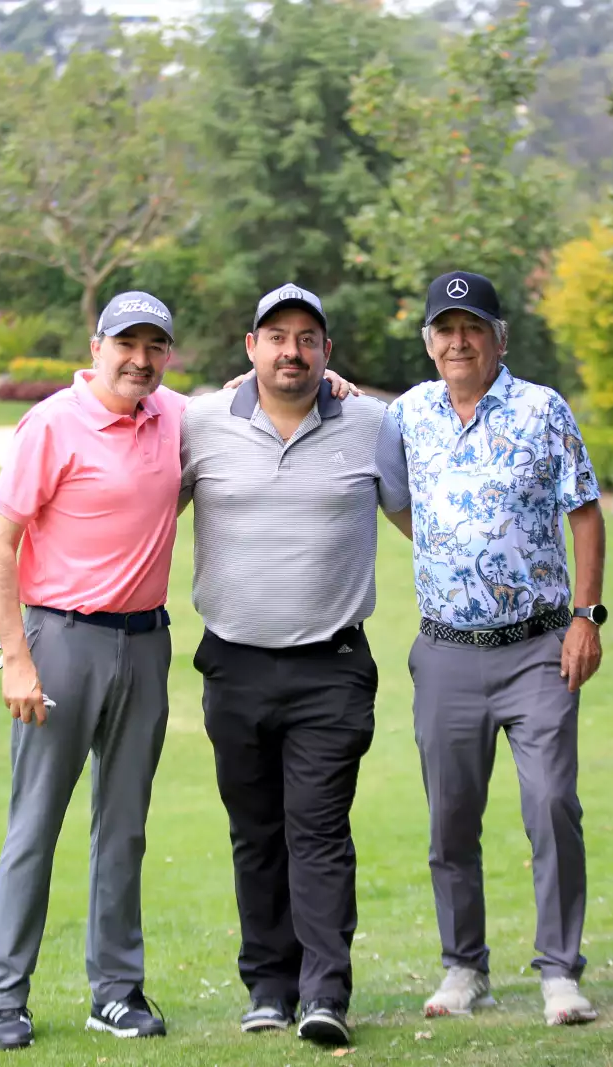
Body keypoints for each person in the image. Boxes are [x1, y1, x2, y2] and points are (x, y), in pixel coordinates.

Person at [0, 290, 361, 1052]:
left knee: (123, 829)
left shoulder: (176, 418)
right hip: (60, 641)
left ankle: (115, 991)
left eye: (155, 347)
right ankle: (6, 996)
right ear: (97, 347)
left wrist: (334, 381)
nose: (140, 360)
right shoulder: (52, 424)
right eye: (127, 344)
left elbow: (248, 397)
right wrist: (15, 655)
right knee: (36, 826)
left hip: (145, 645)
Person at [376, 270, 608, 1028]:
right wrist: (453, 552)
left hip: (539, 647)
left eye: (472, 326)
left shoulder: (543, 409)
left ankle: (560, 972)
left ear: (499, 337)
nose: (459, 340)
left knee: (550, 803)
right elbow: (399, 500)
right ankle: (464, 965)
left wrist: (586, 615)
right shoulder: (407, 414)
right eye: (445, 329)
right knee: (451, 816)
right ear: (430, 341)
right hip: (446, 652)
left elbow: (583, 510)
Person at [179, 283, 406, 1047]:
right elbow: (142, 503)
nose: (292, 350)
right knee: (255, 832)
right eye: (276, 336)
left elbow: (417, 517)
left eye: (308, 338)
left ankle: (324, 990)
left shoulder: (372, 423)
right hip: (234, 664)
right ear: (250, 347)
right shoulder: (202, 423)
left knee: (317, 828)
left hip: (330, 669)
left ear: (327, 353)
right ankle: (267, 985)